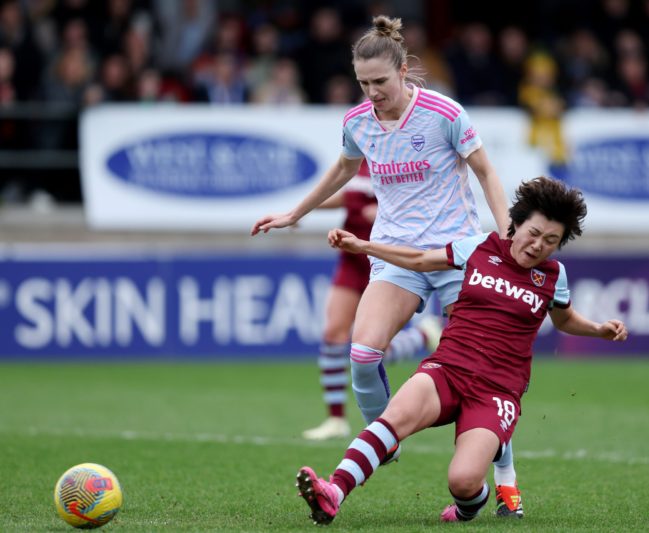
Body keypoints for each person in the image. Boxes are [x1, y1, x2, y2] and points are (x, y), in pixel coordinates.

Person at [250, 15, 520, 515]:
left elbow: (485, 170)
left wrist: (504, 234)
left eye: (380, 82)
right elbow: (344, 168)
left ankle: (506, 482)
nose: (372, 93)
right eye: (363, 83)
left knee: (482, 374)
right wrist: (295, 213)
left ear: (403, 71)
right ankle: (385, 441)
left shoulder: (443, 113)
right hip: (395, 254)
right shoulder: (357, 123)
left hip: (457, 254)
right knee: (363, 355)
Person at [296, 176, 629, 525]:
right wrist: (364, 246)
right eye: (533, 233)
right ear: (514, 225)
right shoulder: (480, 247)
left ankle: (470, 505)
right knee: (392, 420)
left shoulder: (553, 275)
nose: (537, 246)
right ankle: (333, 491)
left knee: (464, 481)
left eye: (551, 241)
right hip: (447, 368)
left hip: (496, 391)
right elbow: (421, 259)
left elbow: (564, 320)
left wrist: (598, 330)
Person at [303, 160, 443, 441]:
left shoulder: (400, 157)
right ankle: (336, 419)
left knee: (371, 350)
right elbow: (349, 197)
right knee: (334, 334)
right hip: (351, 258)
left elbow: (425, 202)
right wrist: (302, 210)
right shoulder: (356, 157)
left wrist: (384, 213)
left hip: (386, 260)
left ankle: (418, 337)